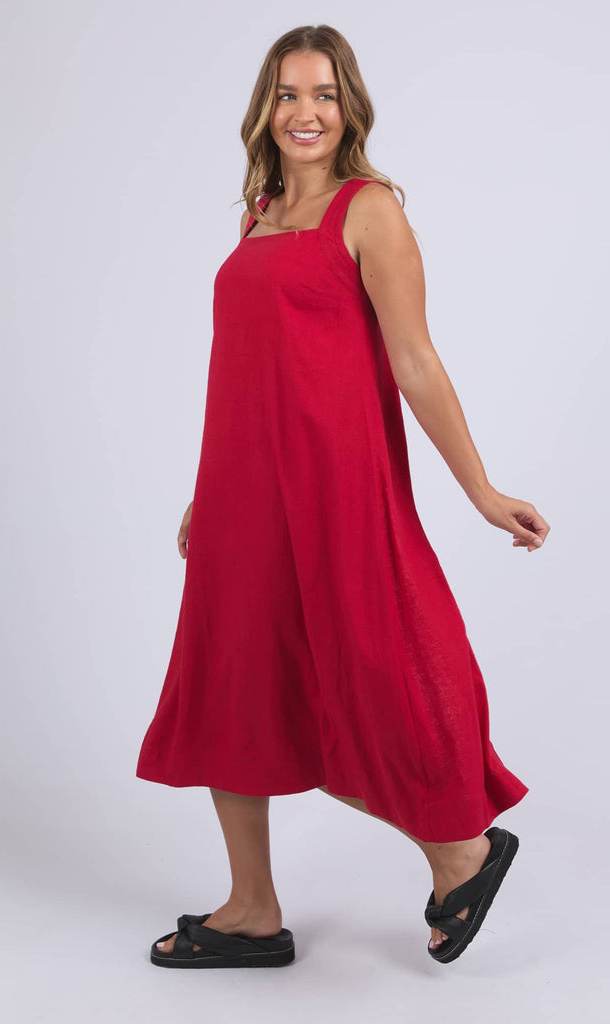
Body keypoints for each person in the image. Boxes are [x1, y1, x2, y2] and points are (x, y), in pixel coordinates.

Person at [137, 24, 550, 970]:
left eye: (323, 94)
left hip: (332, 488)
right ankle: (251, 909)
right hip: (244, 496)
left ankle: (461, 853)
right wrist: (208, 489)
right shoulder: (258, 213)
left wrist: (481, 490)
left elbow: (415, 362)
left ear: (349, 106)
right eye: (287, 94)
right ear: (265, 110)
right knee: (235, 681)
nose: (305, 112)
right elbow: (244, 371)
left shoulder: (370, 211)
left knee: (360, 679)